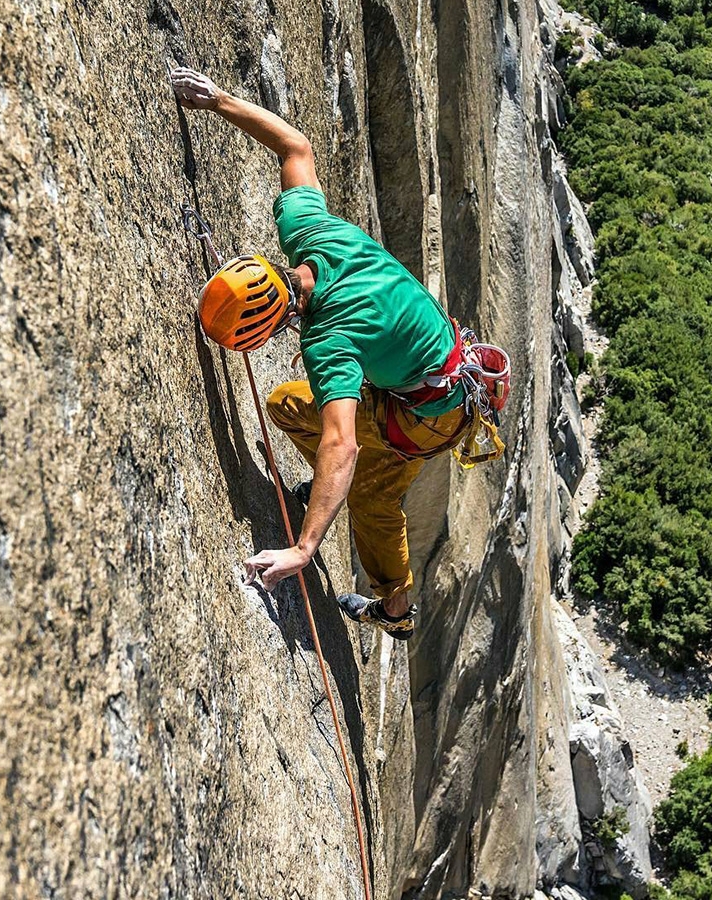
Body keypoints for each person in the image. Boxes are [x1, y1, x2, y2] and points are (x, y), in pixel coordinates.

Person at [171, 66, 481, 641]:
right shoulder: (309, 234)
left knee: (367, 490)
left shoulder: (331, 343)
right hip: (437, 366)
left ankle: (396, 608)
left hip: (434, 412)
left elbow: (341, 442)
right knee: (291, 406)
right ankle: (332, 495)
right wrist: (217, 100)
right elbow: (294, 146)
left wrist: (303, 548)